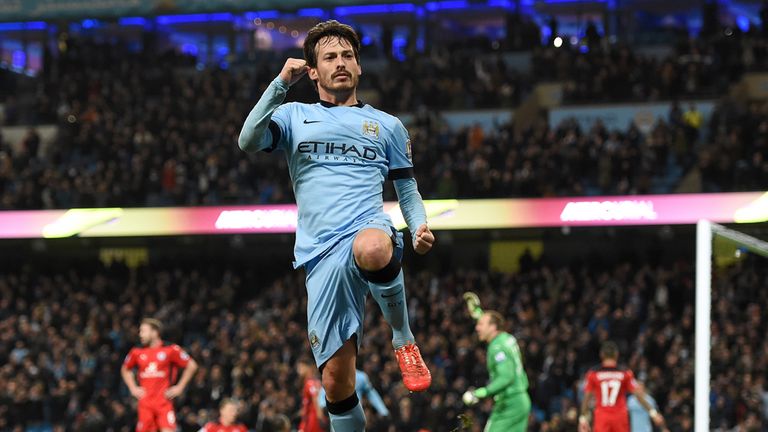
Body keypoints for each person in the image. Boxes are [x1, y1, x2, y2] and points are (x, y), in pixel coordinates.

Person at [238, 19, 434, 431]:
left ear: (359, 67)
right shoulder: (293, 115)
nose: (340, 63)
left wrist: (418, 225)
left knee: (374, 249)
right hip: (318, 252)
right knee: (335, 383)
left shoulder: (387, 125)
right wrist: (279, 83)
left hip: (367, 227)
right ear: (313, 71)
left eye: (348, 56)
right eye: (329, 57)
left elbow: (407, 187)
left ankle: (403, 336)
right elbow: (248, 140)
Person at [462, 300, 531, 432]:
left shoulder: (497, 347)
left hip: (509, 404)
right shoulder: (506, 338)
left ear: (493, 327)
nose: (477, 328)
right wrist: (478, 313)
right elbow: (494, 320)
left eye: (481, 324)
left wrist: (481, 392)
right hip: (520, 400)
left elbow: (506, 377)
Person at [121, 318, 199, 432]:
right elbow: (125, 369)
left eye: (143, 331)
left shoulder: (170, 349)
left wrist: (180, 387)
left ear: (155, 332)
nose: (140, 335)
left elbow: (192, 365)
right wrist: (132, 387)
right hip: (145, 404)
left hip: (164, 402)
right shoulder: (136, 351)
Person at [579, 341, 664, 432]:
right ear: (616, 354)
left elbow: (587, 397)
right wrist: (653, 413)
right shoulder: (625, 373)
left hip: (601, 417)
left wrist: (583, 418)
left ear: (601, 355)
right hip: (620, 417)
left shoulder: (593, 373)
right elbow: (638, 395)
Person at [319, 369, 390, 418]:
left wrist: (383, 411)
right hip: (338, 416)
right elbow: (322, 395)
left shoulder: (361, 377)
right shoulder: (332, 378)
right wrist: (324, 407)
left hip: (357, 415)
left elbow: (371, 393)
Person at [297, 356, 327, 432]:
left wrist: (320, 418)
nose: (298, 370)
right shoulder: (316, 382)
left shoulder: (310, 383)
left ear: (309, 368)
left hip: (313, 419)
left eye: (301, 367)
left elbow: (316, 399)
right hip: (312, 418)